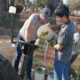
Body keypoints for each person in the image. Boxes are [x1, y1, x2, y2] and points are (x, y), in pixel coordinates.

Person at [13, 6, 53, 80]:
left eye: (44, 19)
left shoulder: (45, 24)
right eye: (42, 18)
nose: (42, 20)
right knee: (17, 55)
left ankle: (28, 75)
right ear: (40, 14)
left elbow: (40, 36)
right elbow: (28, 29)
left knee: (29, 59)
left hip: (32, 40)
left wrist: (36, 44)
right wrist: (27, 43)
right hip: (22, 37)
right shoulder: (34, 16)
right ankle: (13, 73)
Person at [53, 4, 75, 80]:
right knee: (64, 73)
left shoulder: (65, 30)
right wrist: (52, 27)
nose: (57, 19)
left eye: (59, 17)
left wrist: (52, 44)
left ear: (64, 17)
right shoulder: (70, 23)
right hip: (68, 55)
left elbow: (59, 47)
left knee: (57, 75)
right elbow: (59, 27)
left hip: (60, 57)